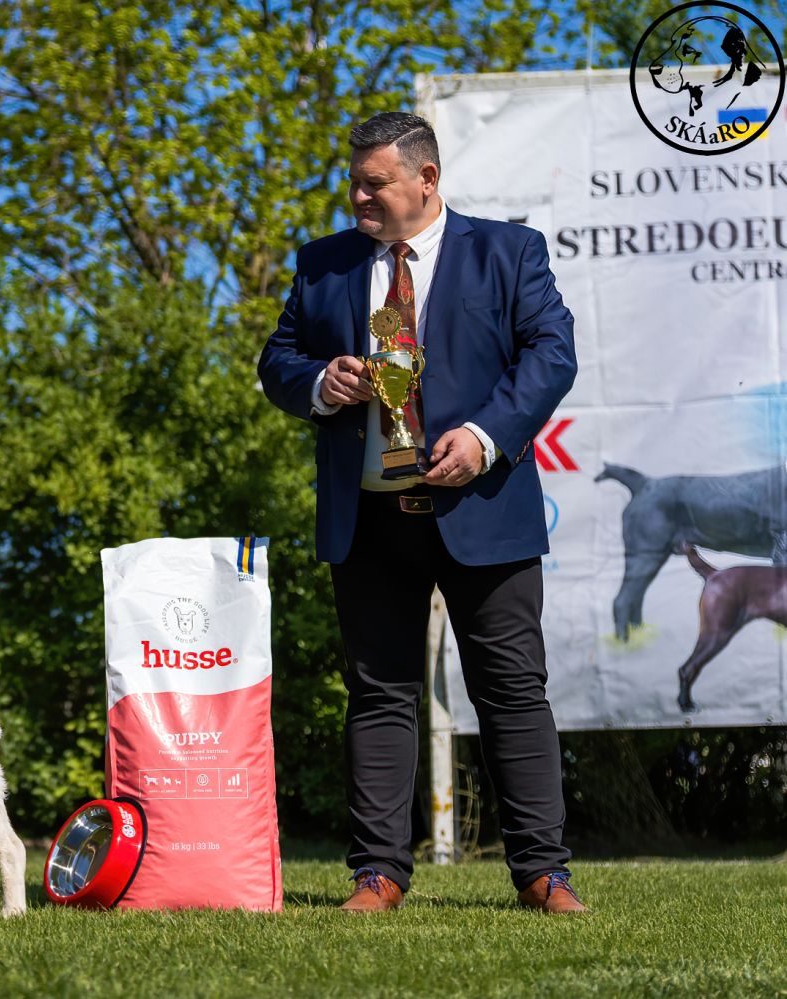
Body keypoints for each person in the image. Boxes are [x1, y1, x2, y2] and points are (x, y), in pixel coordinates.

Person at [258, 112, 585, 913]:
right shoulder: (323, 263)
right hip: (368, 519)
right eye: (354, 183)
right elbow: (278, 361)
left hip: (484, 507)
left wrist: (484, 436)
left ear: (426, 179)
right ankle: (377, 874)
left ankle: (543, 874)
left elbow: (552, 353)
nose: (358, 197)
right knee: (378, 694)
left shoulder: (509, 252)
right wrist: (319, 383)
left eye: (375, 183)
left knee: (512, 690)